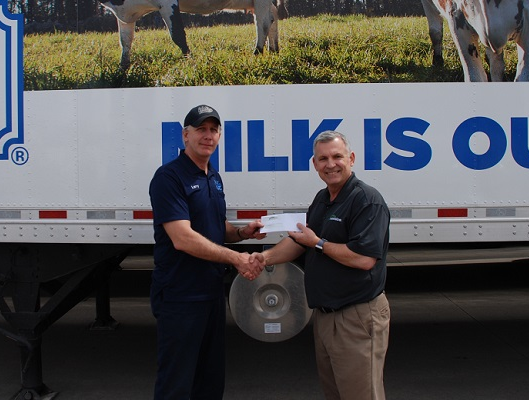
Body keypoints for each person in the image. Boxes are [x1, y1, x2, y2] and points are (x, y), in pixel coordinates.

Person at [252, 130, 391, 400]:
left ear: (351, 159)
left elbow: (364, 259)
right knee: (335, 393)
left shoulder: (366, 200)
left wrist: (318, 243)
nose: (331, 164)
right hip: (326, 316)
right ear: (314, 164)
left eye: (337, 157)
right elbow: (300, 241)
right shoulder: (322, 198)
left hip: (356, 315)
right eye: (323, 159)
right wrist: (262, 258)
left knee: (361, 395)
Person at [148, 104, 266, 400]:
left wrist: (242, 233)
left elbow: (215, 226)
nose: (208, 135)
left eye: (214, 130)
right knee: (176, 385)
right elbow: (183, 238)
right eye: (201, 129)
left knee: (210, 381)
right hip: (180, 296)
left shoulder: (213, 176)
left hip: (211, 293)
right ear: (185, 135)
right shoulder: (169, 177)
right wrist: (236, 258)